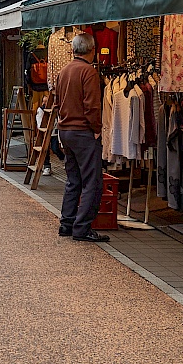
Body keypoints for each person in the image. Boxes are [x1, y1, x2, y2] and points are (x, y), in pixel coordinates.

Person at [54, 32, 108, 242]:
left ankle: (67, 223)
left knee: (73, 179)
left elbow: (56, 102)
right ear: (92, 50)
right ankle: (82, 227)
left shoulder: (64, 71)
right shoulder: (89, 72)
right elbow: (92, 106)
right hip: (83, 131)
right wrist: (96, 128)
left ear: (73, 50)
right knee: (92, 181)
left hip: (65, 130)